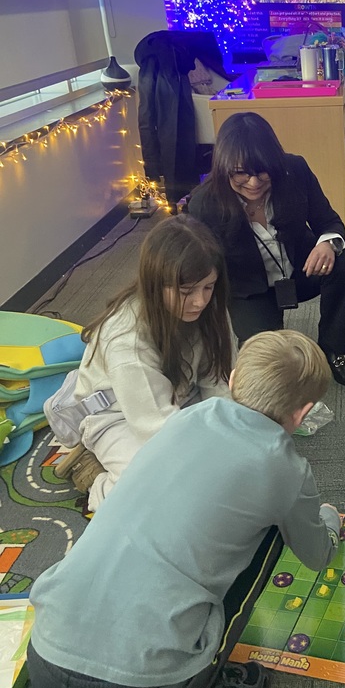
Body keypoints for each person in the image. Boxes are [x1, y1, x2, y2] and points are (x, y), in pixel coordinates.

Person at [26, 330, 342, 688]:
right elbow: (317, 556)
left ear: (233, 380)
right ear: (303, 412)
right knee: (274, 534)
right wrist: (326, 520)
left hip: (45, 657)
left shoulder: (185, 418)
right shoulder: (285, 467)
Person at [53, 214, 236, 510]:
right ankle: (97, 482)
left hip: (179, 395)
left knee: (232, 460)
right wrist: (212, 454)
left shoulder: (209, 308)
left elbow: (219, 379)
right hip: (118, 417)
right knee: (165, 486)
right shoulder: (126, 338)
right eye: (186, 292)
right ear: (155, 285)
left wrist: (235, 430)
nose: (200, 301)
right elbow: (157, 428)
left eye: (208, 286)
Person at [188, 111, 345, 388]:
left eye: (262, 171)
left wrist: (328, 244)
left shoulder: (295, 170)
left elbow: (328, 220)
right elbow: (200, 266)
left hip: (301, 269)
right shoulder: (203, 204)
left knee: (344, 264)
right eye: (241, 173)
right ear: (224, 167)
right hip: (249, 289)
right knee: (268, 366)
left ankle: (333, 349)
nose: (254, 183)